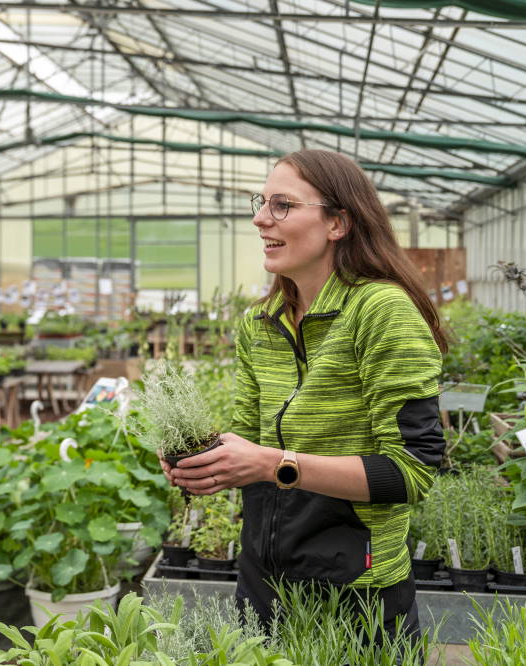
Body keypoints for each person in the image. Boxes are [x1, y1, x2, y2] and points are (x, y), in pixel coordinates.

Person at [165, 149, 447, 639]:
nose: (259, 218)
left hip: (356, 590)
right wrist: (206, 460)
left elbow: (413, 469)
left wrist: (274, 465)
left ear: (338, 222)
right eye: (261, 202)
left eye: (282, 205)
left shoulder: (380, 311)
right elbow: (251, 439)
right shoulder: (261, 322)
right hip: (263, 580)